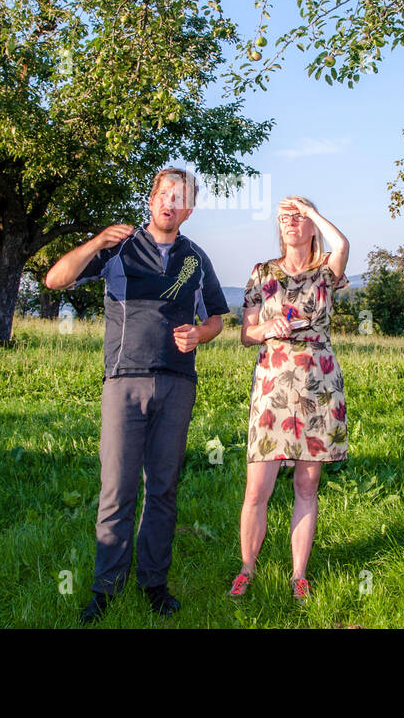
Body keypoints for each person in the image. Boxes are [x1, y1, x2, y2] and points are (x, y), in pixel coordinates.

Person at [44, 167, 229, 623]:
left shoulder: (196, 259)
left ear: (190, 209)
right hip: (123, 380)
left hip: (177, 382)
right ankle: (105, 589)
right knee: (117, 489)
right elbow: (54, 280)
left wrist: (199, 336)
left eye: (180, 198)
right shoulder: (119, 246)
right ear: (151, 200)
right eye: (164, 194)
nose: (170, 203)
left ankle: (154, 583)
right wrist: (95, 242)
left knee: (163, 489)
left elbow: (217, 321)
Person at [229, 196, 349, 603]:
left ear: (311, 225)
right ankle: (247, 570)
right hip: (272, 385)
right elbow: (246, 333)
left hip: (318, 385)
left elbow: (343, 244)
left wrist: (314, 212)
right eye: (284, 219)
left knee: (306, 483)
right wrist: (266, 327)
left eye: (298, 218)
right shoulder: (262, 273)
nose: (291, 224)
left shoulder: (326, 273)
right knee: (256, 487)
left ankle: (299, 574)